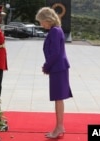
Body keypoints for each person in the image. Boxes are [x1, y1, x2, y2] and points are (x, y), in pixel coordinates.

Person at [35, 7, 73, 138]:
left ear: (48, 19)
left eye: (42, 21)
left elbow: (55, 52)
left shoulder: (55, 31)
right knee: (58, 98)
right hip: (58, 68)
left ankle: (59, 127)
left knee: (58, 98)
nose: (41, 24)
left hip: (58, 68)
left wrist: (46, 66)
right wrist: (49, 66)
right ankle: (59, 126)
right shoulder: (55, 30)